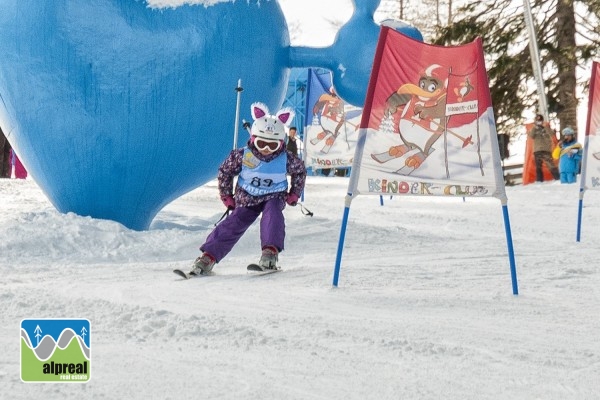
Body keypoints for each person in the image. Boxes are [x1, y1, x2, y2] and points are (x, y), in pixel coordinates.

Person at [190, 102, 307, 274]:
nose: (267, 149)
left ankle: (270, 253)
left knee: (272, 215)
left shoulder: (286, 158)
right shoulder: (243, 155)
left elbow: (300, 172)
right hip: (247, 196)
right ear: (253, 139)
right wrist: (226, 195)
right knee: (234, 221)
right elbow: (225, 171)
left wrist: (294, 193)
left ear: (280, 143)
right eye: (262, 143)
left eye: (272, 145)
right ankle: (209, 256)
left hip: (274, 195)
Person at [528, 114, 559, 182]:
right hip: (537, 150)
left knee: (551, 165)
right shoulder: (534, 129)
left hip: (546, 150)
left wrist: (545, 127)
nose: (539, 122)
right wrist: (535, 127)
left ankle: (558, 178)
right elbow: (531, 136)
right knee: (538, 167)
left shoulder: (546, 128)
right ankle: (539, 181)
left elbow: (551, 134)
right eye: (537, 121)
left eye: (540, 121)